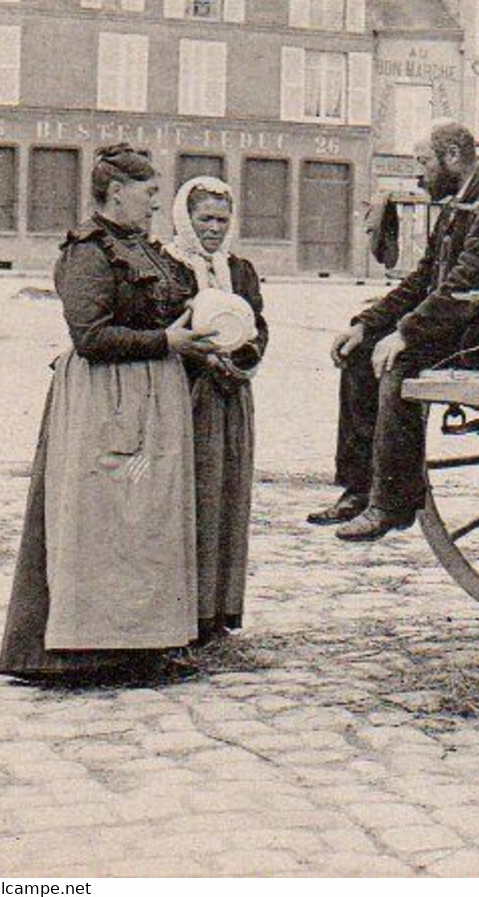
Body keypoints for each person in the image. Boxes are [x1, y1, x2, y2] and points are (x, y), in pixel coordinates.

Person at [0, 145, 219, 680]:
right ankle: (91, 651)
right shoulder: (89, 250)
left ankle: (143, 644)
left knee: (147, 520)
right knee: (106, 521)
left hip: (153, 390)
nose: (154, 204)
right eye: (148, 194)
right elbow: (89, 335)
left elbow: (175, 299)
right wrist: (166, 340)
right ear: (116, 192)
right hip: (105, 397)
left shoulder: (141, 247)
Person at [308, 122, 479, 541]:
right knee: (360, 352)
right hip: (457, 323)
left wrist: (406, 333)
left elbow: (465, 284)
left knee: (399, 363)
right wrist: (367, 324)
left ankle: (392, 503)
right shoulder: (458, 203)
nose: (419, 173)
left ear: (452, 156)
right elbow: (424, 278)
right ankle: (360, 489)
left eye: (424, 162)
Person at [166, 176, 269, 644]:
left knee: (228, 493)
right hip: (188, 395)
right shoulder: (168, 266)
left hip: (231, 393)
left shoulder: (240, 270)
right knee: (192, 495)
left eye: (222, 221)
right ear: (185, 220)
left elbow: (259, 326)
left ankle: (220, 609)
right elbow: (165, 326)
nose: (213, 229)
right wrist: (203, 357)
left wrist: (242, 359)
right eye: (204, 219)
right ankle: (186, 610)